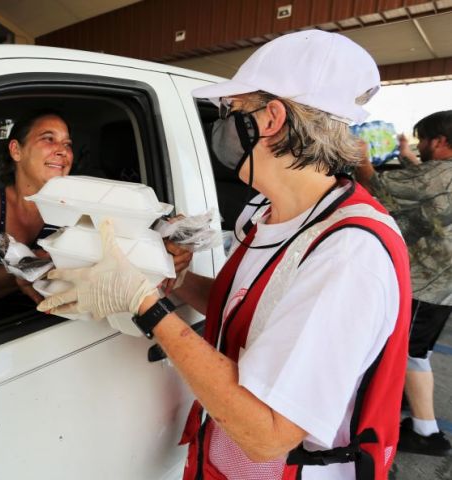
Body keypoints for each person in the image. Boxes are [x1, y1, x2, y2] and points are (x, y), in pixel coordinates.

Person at [38, 30, 412, 479]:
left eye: (234, 112)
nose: (224, 126)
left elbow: (268, 433)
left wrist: (146, 306)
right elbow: (265, 311)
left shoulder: (347, 254)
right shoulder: (274, 213)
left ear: (271, 119)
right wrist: (178, 282)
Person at [356, 110, 452, 457]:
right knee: (416, 350)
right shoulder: (439, 174)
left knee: (411, 352)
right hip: (443, 286)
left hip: (427, 284)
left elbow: (376, 187)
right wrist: (406, 155)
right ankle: (408, 407)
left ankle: (427, 432)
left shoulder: (439, 175)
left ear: (440, 142)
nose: (421, 146)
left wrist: (362, 160)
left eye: (424, 140)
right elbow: (424, 182)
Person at [0, 110, 74, 306]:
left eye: (67, 144)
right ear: (16, 150)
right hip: (0, 328)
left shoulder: (75, 208)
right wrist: (23, 272)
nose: (62, 151)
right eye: (48, 139)